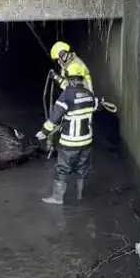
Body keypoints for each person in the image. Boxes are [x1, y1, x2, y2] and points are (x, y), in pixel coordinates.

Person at [36, 75, 98, 204]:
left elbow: (55, 117)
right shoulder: (89, 95)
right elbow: (97, 105)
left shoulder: (66, 96)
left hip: (70, 141)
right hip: (86, 140)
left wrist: (44, 132)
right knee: (82, 167)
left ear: (71, 81)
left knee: (62, 168)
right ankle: (80, 195)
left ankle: (57, 197)